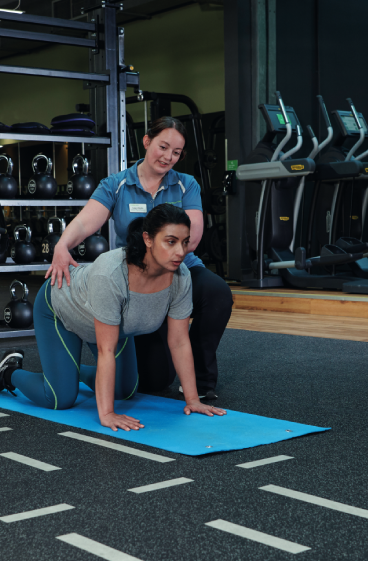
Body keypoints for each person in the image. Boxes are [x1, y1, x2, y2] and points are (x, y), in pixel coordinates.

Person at [0, 205, 226, 431]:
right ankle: (8, 373)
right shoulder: (112, 274)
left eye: (184, 243)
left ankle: (70, 370)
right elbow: (106, 350)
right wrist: (107, 413)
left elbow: (179, 341)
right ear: (148, 239)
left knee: (125, 389)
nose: (180, 252)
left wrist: (192, 399)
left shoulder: (181, 275)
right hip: (61, 308)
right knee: (60, 399)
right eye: (171, 242)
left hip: (108, 325)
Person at [45, 116, 233, 400]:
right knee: (151, 382)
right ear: (147, 141)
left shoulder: (186, 184)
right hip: (135, 277)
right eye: (163, 147)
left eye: (177, 152)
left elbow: (191, 238)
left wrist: (166, 252)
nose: (169, 157)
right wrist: (62, 246)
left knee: (217, 293)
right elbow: (86, 223)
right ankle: (79, 373)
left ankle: (200, 380)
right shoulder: (117, 184)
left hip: (179, 271)